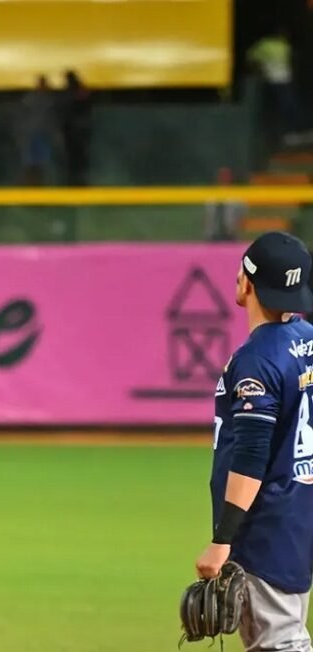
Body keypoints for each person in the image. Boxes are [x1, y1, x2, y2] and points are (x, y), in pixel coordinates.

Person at [195, 231, 313, 651]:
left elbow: (250, 454)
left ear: (246, 284)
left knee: (279, 642)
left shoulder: (258, 359)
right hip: (300, 510)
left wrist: (222, 539)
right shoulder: (308, 340)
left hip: (267, 524)